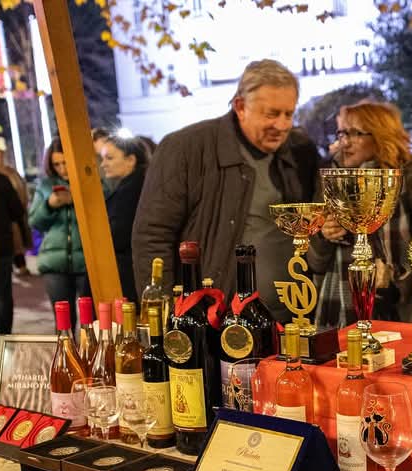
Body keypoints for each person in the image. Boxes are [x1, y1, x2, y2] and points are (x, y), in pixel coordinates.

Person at [132, 59, 320, 320]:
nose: (282, 125)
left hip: (292, 317)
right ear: (240, 107)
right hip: (215, 319)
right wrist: (166, 317)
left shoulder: (301, 153)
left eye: (289, 114)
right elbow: (153, 237)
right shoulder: (186, 148)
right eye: (271, 114)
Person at [311, 101, 412, 326]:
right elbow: (315, 263)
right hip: (339, 302)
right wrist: (323, 235)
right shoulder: (331, 180)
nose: (345, 142)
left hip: (398, 308)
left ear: (381, 135)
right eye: (342, 133)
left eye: (355, 133)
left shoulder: (410, 182)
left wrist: (396, 277)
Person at [30, 138, 89, 329]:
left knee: (91, 321)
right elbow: (35, 222)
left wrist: (76, 200)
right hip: (54, 262)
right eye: (57, 164)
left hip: (86, 260)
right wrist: (49, 205)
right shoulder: (45, 185)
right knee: (63, 323)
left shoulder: (89, 181)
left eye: (66, 162)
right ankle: (66, 349)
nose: (62, 168)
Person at [100, 135, 150, 301]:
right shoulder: (134, 185)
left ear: (130, 160)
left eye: (109, 158)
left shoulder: (131, 191)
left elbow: (119, 234)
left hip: (128, 272)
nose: (103, 164)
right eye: (102, 158)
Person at [0, 136, 31, 276]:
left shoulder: (11, 172)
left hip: (17, 210)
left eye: (1, 155)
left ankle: (20, 265)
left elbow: (22, 188)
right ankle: (16, 265)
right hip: (6, 215)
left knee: (19, 239)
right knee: (14, 241)